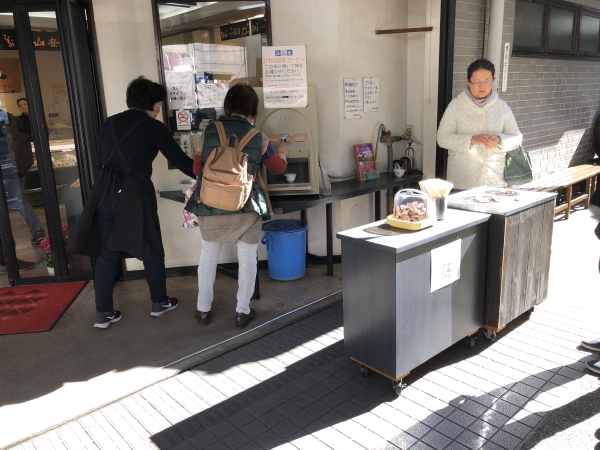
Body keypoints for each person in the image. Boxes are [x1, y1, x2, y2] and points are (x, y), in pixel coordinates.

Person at [68, 76, 195, 329]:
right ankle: (159, 303)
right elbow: (182, 161)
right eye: (159, 103)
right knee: (150, 246)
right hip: (135, 193)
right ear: (153, 103)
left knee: (107, 252)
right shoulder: (153, 127)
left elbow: (101, 158)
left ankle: (103, 313)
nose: (159, 108)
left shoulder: (110, 123)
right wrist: (210, 173)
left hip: (104, 191)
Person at [191, 84, 287, 329]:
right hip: (246, 207)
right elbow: (278, 168)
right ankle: (242, 312)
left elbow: (196, 170)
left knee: (208, 256)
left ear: (227, 106)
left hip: (210, 205)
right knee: (247, 259)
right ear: (252, 109)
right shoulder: (259, 137)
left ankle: (203, 309)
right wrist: (283, 152)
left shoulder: (209, 131)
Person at [437, 59, 523, 190]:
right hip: (462, 181)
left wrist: (499, 141)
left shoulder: (501, 107)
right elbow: (442, 138)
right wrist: (471, 140)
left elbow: (516, 137)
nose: (482, 86)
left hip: (494, 181)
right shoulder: (456, 106)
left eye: (487, 81)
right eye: (477, 82)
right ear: (468, 82)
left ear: (493, 80)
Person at [2, 106, 45, 245]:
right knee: (19, 200)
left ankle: (5, 243)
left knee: (16, 201)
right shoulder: (14, 127)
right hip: (18, 170)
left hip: (8, 170)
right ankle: (37, 230)